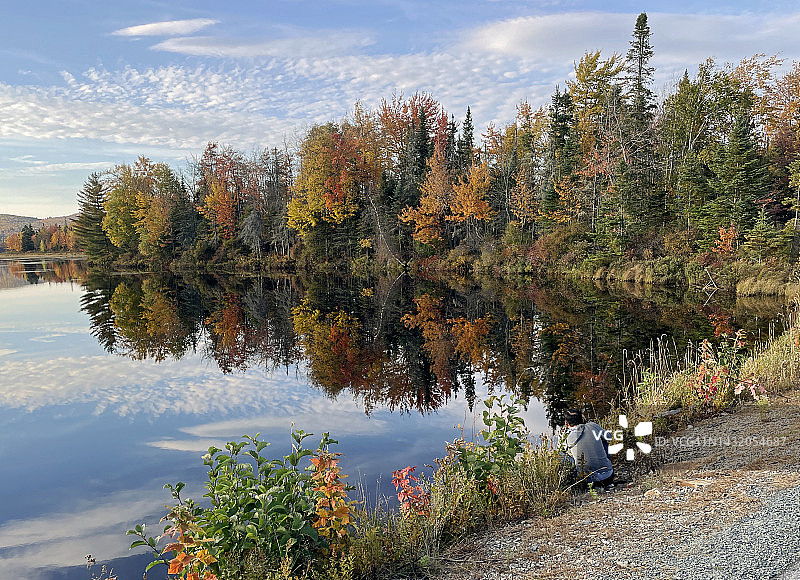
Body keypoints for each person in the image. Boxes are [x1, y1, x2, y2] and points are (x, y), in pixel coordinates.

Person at [563, 409, 614, 489]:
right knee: (604, 441)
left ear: (566, 424)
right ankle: (604, 467)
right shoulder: (592, 426)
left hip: (587, 481)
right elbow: (609, 437)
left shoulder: (569, 438)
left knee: (563, 455)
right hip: (608, 477)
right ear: (582, 419)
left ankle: (571, 483)